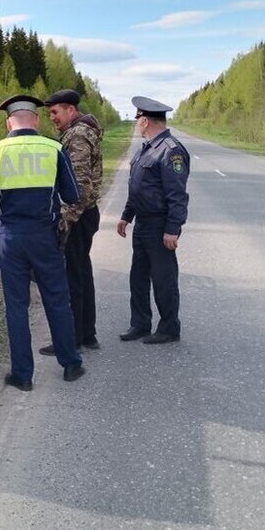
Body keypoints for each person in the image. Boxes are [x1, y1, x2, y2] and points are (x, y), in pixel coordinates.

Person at [0, 94, 85, 390]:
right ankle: (71, 364)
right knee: (57, 299)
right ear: (35, 120)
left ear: (8, 122)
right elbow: (72, 195)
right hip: (45, 236)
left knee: (16, 305)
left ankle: (22, 376)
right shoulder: (54, 148)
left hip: (10, 238)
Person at [116, 96, 190, 344]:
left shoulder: (171, 150)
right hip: (142, 223)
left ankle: (169, 328)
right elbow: (137, 186)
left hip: (159, 225)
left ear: (145, 121)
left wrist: (172, 229)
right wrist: (127, 216)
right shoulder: (146, 148)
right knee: (138, 277)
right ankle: (140, 324)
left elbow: (177, 195)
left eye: (138, 119)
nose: (137, 123)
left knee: (163, 279)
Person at [39, 88, 103, 355]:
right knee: (82, 273)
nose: (52, 117)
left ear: (70, 110)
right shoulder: (80, 131)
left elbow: (80, 186)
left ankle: (72, 339)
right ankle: (87, 334)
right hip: (87, 213)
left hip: (79, 215)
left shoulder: (77, 135)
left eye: (55, 112)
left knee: (72, 279)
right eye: (49, 113)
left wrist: (65, 220)